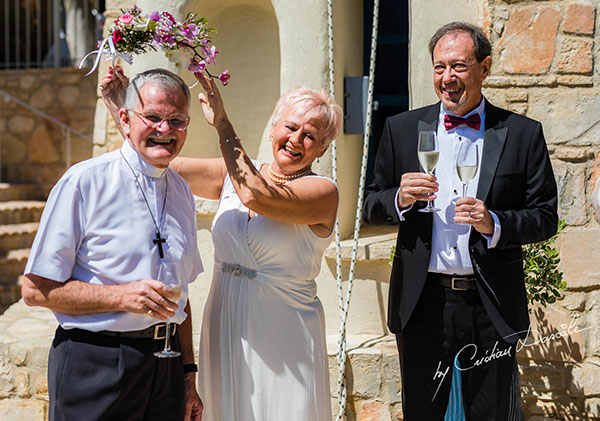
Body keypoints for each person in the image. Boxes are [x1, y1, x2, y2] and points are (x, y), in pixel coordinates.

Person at [101, 69, 342, 420]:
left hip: (284, 334)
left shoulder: (322, 191)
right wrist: (123, 110)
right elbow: (155, 161)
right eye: (290, 127)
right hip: (224, 325)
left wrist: (223, 123)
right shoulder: (233, 174)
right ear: (274, 127)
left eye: (310, 136)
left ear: (322, 148)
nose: (296, 139)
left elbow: (256, 195)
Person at [363, 22, 558, 419]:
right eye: (439, 67)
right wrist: (399, 198)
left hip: (491, 302)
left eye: (459, 66)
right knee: (423, 412)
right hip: (423, 302)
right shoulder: (401, 129)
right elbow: (369, 204)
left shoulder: (522, 134)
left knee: (492, 413)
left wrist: (495, 224)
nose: (447, 78)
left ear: (484, 68)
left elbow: (545, 217)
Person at [22, 69, 204, 421]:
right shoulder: (84, 182)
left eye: (176, 120)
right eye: (152, 117)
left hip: (165, 369)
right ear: (125, 117)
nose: (164, 130)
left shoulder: (182, 191)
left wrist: (188, 375)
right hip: (95, 362)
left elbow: (181, 298)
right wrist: (122, 296)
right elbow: (35, 290)